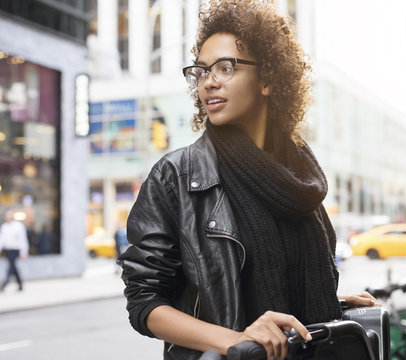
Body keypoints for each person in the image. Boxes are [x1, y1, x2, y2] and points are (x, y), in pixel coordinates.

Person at [118, 1, 379, 359]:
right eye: (201, 71)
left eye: (226, 67)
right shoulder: (177, 176)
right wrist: (234, 339)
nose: (209, 81)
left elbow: (266, 285)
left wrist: (325, 302)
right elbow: (145, 303)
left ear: (268, 78)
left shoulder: (300, 178)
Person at [0, 210, 29, 292]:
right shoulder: (4, 227)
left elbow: (23, 239)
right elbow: (2, 239)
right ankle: (20, 284)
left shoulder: (19, 226)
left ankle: (5, 283)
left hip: (15, 249)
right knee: (13, 267)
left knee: (11, 266)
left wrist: (24, 251)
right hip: (7, 250)